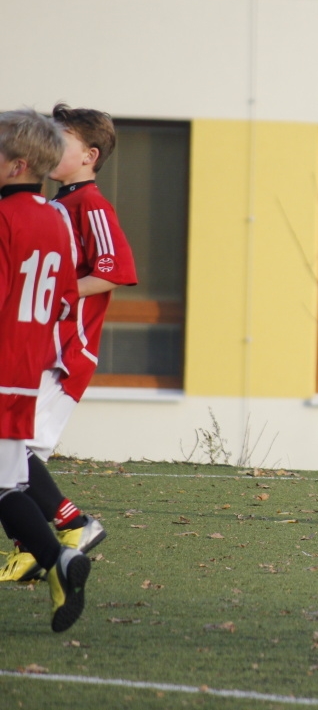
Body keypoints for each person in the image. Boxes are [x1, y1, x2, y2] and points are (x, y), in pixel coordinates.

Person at [0, 104, 134, 583]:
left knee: (17, 452)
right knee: (13, 454)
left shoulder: (91, 204)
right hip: (41, 345)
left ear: (89, 155)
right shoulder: (56, 205)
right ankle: (34, 548)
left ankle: (74, 524)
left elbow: (115, 270)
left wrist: (58, 288)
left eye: (64, 141)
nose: (54, 148)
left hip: (65, 351)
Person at [0, 109, 91, 631]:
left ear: (16, 165)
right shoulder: (55, 218)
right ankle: (59, 561)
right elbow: (64, 299)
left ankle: (59, 556)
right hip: (26, 370)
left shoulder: (5, 219)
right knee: (7, 486)